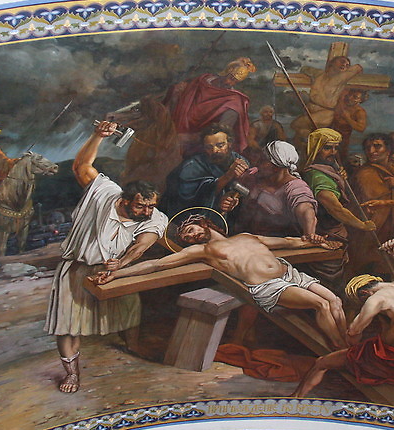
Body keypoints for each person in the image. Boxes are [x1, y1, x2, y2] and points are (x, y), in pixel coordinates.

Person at [92, 215, 348, 350]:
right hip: (269, 287)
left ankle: (348, 344)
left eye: (191, 231)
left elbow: (290, 242)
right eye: (186, 238)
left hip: (290, 274)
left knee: (335, 300)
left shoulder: (246, 236)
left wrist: (322, 242)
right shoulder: (202, 251)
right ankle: (341, 348)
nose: (191, 237)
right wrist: (118, 273)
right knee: (321, 305)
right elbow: (156, 265)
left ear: (203, 223)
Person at [45, 120, 168, 393]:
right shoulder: (104, 193)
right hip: (77, 270)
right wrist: (98, 136)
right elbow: (81, 167)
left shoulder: (153, 216)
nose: (147, 212)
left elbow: (142, 244)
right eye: (141, 206)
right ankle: (72, 374)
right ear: (125, 200)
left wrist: (121, 263)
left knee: (129, 312)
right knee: (67, 326)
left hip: (113, 272)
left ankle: (133, 348)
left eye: (151, 206)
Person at [292, 239, 394, 409]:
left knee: (322, 363)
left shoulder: (376, 300)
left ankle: (295, 399)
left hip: (389, 359)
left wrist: (347, 345)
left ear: (365, 293)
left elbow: (353, 333)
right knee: (368, 364)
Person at [302, 128, 376, 290]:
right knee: (328, 280)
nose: (333, 152)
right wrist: (362, 225)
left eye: (336, 148)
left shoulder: (326, 170)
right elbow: (335, 209)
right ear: (316, 149)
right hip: (326, 235)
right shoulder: (318, 176)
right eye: (327, 148)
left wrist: (338, 177)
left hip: (335, 232)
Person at [167, 57, 256, 155]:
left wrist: (189, 138)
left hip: (200, 144)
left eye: (235, 81)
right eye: (231, 78)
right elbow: (182, 99)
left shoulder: (233, 100)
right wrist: (177, 92)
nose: (230, 83)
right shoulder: (203, 81)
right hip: (175, 129)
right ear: (226, 71)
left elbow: (220, 131)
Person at [235, 141, 320, 240]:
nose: (258, 164)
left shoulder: (296, 187)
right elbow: (238, 195)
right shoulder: (256, 180)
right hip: (250, 239)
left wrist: (309, 234)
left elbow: (305, 210)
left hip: (281, 242)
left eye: (263, 161)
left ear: (276, 166)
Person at [349, 132, 394, 271]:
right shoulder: (365, 173)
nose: (371, 151)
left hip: (392, 229)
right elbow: (373, 202)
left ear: (388, 150)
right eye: (368, 147)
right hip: (374, 230)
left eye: (377, 146)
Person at [161, 124, 248, 217]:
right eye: (209, 147)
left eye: (220, 145)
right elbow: (198, 196)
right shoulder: (192, 166)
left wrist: (231, 198)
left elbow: (243, 188)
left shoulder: (239, 161)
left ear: (229, 144)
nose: (214, 150)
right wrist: (228, 175)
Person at [290, 44, 365, 142]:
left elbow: (358, 67)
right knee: (303, 132)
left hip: (325, 113)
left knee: (294, 125)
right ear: (331, 63)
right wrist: (304, 71)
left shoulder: (340, 78)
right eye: (342, 62)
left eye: (347, 65)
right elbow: (305, 69)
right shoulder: (319, 74)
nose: (344, 65)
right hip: (310, 109)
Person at [332, 89, 368, 161]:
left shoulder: (359, 111)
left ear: (360, 100)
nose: (350, 98)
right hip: (330, 131)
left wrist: (347, 118)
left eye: (355, 97)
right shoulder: (341, 103)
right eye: (350, 95)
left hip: (342, 138)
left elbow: (361, 128)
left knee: (340, 156)